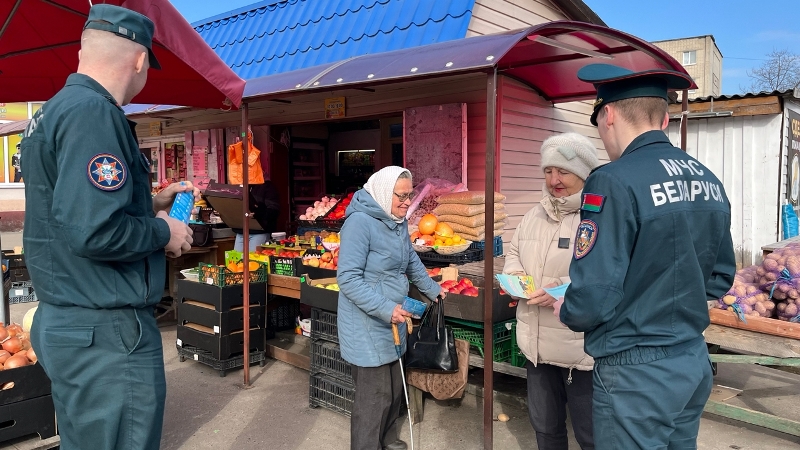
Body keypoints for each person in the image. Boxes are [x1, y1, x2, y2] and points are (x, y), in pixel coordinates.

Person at [21, 5, 197, 450]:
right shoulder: (94, 113)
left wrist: (148, 202)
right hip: (105, 334)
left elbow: (72, 209)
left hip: (72, 322)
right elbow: (95, 232)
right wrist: (164, 231)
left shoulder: (54, 110)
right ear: (139, 60)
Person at [554, 64, 736, 450]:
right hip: (691, 359)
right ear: (665, 119)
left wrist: (567, 308)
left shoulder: (612, 179)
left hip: (636, 373)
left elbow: (593, 297)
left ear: (609, 114)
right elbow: (719, 277)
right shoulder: (707, 179)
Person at [337, 166, 447, 450]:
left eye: (410, 195)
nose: (407, 202)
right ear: (384, 193)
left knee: (395, 391)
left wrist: (434, 291)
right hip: (366, 322)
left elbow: (411, 261)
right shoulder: (360, 223)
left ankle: (387, 441)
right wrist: (387, 308)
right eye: (401, 196)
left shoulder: (396, 222)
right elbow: (347, 279)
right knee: (375, 397)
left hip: (394, 318)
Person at [503, 132, 599, 450]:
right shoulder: (534, 216)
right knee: (546, 431)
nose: (554, 179)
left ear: (584, 173)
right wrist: (516, 279)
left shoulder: (598, 216)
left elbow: (608, 275)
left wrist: (562, 291)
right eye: (548, 171)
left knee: (592, 435)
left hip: (580, 351)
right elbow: (514, 255)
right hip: (538, 348)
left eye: (563, 171)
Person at [232, 181, 281, 251]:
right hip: (241, 231)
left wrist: (259, 213)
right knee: (236, 259)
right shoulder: (239, 187)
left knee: (254, 259)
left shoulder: (267, 187)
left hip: (259, 232)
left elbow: (274, 210)